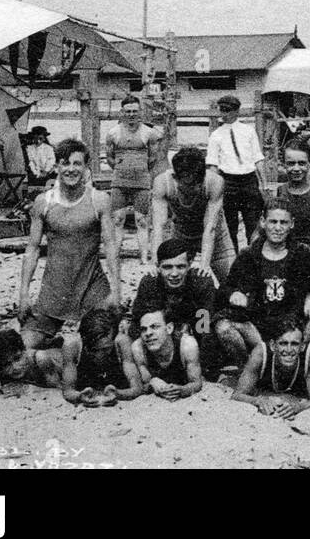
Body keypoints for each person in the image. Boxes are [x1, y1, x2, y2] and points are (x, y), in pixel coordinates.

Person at [17, 138, 121, 350]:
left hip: (92, 289)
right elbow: (33, 248)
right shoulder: (43, 202)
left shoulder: (99, 200)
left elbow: (111, 246)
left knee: (103, 349)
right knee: (25, 349)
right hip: (54, 291)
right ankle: (57, 344)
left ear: (85, 168)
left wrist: (117, 290)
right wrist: (24, 293)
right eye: (65, 163)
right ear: (56, 166)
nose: (71, 169)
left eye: (77, 164)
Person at [216, 199, 310, 369]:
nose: (278, 228)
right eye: (273, 221)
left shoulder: (302, 253)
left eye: (283, 222)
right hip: (259, 329)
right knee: (224, 328)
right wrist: (234, 294)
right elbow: (227, 286)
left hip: (295, 329)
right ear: (263, 222)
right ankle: (250, 370)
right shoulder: (249, 255)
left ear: (291, 224)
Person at [151, 146, 237, 282]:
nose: (191, 189)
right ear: (175, 177)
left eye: (195, 185)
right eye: (186, 185)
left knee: (232, 282)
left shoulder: (214, 182)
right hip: (181, 234)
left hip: (217, 235)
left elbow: (210, 228)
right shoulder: (162, 183)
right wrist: (155, 261)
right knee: (169, 280)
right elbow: (158, 227)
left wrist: (204, 264)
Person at [133, 238, 219, 372]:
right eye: (167, 267)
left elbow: (204, 329)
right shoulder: (149, 283)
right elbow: (136, 324)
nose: (174, 274)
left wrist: (200, 368)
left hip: (192, 345)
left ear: (189, 265)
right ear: (158, 267)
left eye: (180, 266)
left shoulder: (201, 283)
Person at [104, 95, 164, 263]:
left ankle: (144, 257)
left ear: (140, 112)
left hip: (141, 183)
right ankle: (115, 257)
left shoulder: (149, 133)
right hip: (119, 182)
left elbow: (152, 159)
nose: (131, 114)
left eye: (135, 111)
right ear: (122, 113)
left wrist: (139, 170)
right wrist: (123, 169)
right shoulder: (113, 133)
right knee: (117, 220)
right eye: (128, 111)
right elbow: (109, 158)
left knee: (142, 221)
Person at [205, 94, 266, 251]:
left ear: (237, 111)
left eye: (228, 110)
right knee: (229, 225)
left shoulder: (248, 131)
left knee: (253, 223)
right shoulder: (216, 135)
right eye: (222, 110)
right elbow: (213, 165)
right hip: (228, 183)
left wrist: (264, 183)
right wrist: (214, 190)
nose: (224, 114)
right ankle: (234, 262)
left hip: (249, 181)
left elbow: (258, 158)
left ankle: (254, 258)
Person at [232, 317, 310, 417]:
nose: (289, 350)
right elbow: (237, 395)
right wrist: (258, 400)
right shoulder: (261, 353)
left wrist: (299, 407)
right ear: (273, 345)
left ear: (302, 346)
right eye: (283, 343)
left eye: (294, 344)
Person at [119, 307, 204, 400]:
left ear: (169, 328)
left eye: (155, 327)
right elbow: (143, 385)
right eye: (143, 329)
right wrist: (152, 382)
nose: (148, 333)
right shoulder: (138, 348)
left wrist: (182, 390)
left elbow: (196, 383)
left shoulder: (187, 345)